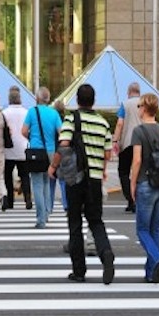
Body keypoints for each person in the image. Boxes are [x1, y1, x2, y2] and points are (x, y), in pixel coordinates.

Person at [49, 84, 114, 284]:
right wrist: (101, 170)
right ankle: (106, 253)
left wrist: (53, 167)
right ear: (93, 101)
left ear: (77, 100)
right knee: (96, 220)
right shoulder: (103, 123)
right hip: (94, 179)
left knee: (75, 222)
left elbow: (64, 144)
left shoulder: (71, 119)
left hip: (75, 179)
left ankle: (79, 270)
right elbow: (108, 153)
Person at [129, 93, 159, 283]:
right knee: (154, 229)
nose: (137, 109)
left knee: (142, 230)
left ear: (145, 108)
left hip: (145, 183)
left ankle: (157, 257)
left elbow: (137, 159)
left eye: (139, 106)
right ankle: (151, 273)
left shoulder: (138, 131)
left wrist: (132, 182)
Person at [22, 87, 62, 228]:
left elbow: (24, 131)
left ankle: (41, 219)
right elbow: (61, 132)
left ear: (37, 98)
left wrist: (33, 137)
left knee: (37, 184)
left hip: (36, 152)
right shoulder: (54, 113)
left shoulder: (32, 112)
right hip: (50, 151)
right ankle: (46, 212)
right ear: (48, 99)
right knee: (46, 183)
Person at [112, 82, 142, 213]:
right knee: (140, 172)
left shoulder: (125, 104)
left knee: (123, 171)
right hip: (142, 143)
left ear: (129, 92)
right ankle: (139, 199)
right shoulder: (144, 103)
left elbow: (120, 123)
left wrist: (115, 140)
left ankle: (130, 199)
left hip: (128, 143)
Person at [3, 89, 31, 210]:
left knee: (8, 176)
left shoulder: (4, 113)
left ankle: (10, 201)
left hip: (9, 149)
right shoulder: (26, 112)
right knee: (24, 175)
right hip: (23, 147)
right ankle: (28, 198)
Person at [51, 99, 68, 213]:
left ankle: (49, 205)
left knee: (51, 181)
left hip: (53, 151)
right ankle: (66, 204)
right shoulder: (67, 121)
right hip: (64, 153)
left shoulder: (52, 121)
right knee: (63, 181)